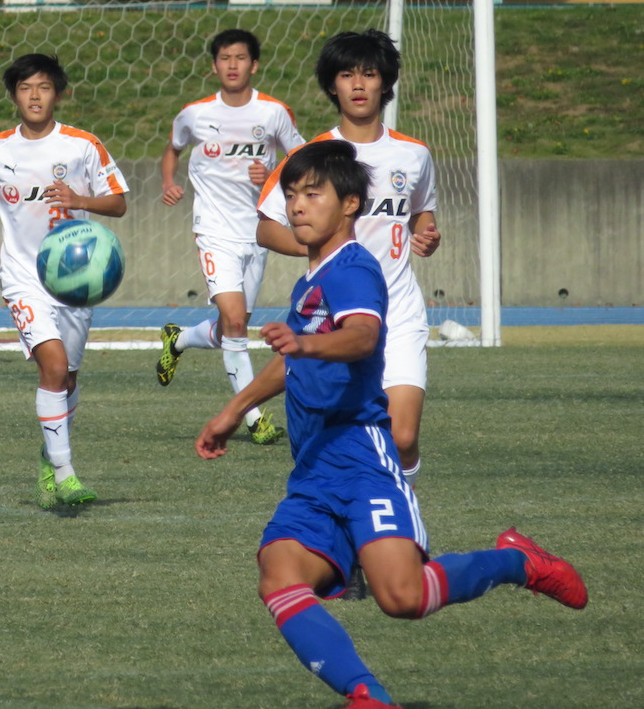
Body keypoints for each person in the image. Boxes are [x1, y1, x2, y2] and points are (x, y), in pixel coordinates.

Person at [196, 140, 587, 709]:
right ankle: (368, 696)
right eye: (291, 195)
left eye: (313, 194)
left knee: (403, 599)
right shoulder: (311, 279)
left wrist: (307, 340)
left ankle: (519, 562)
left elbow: (361, 336)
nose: (297, 206)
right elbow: (295, 357)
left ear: (350, 203)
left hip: (361, 461)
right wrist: (235, 409)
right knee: (278, 575)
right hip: (312, 473)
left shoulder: (353, 268)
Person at [257, 29, 439, 485]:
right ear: (331, 84)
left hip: (397, 310)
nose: (358, 85)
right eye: (346, 74)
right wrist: (320, 246)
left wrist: (428, 235)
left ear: (385, 83)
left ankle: (400, 516)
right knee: (334, 439)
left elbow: (422, 217)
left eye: (369, 74)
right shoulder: (309, 157)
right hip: (332, 315)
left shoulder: (414, 155)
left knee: (401, 435)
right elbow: (264, 228)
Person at [0, 53, 127, 508]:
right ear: (13, 95)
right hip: (24, 278)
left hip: (77, 281)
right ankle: (65, 472)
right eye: (24, 88)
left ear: (58, 94)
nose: (34, 96)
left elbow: (118, 203)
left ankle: (49, 453)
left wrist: (80, 199)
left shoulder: (81, 145)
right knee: (53, 368)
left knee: (69, 379)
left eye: (43, 87)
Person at [157, 28, 304, 445]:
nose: (233, 65)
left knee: (230, 327)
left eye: (240, 58)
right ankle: (254, 416)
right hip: (214, 230)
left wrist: (273, 174)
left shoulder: (273, 113)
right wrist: (169, 181)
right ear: (214, 65)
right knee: (236, 324)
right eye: (224, 58)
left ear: (254, 65)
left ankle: (178, 338)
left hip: (259, 231)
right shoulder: (195, 114)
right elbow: (172, 148)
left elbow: (303, 158)